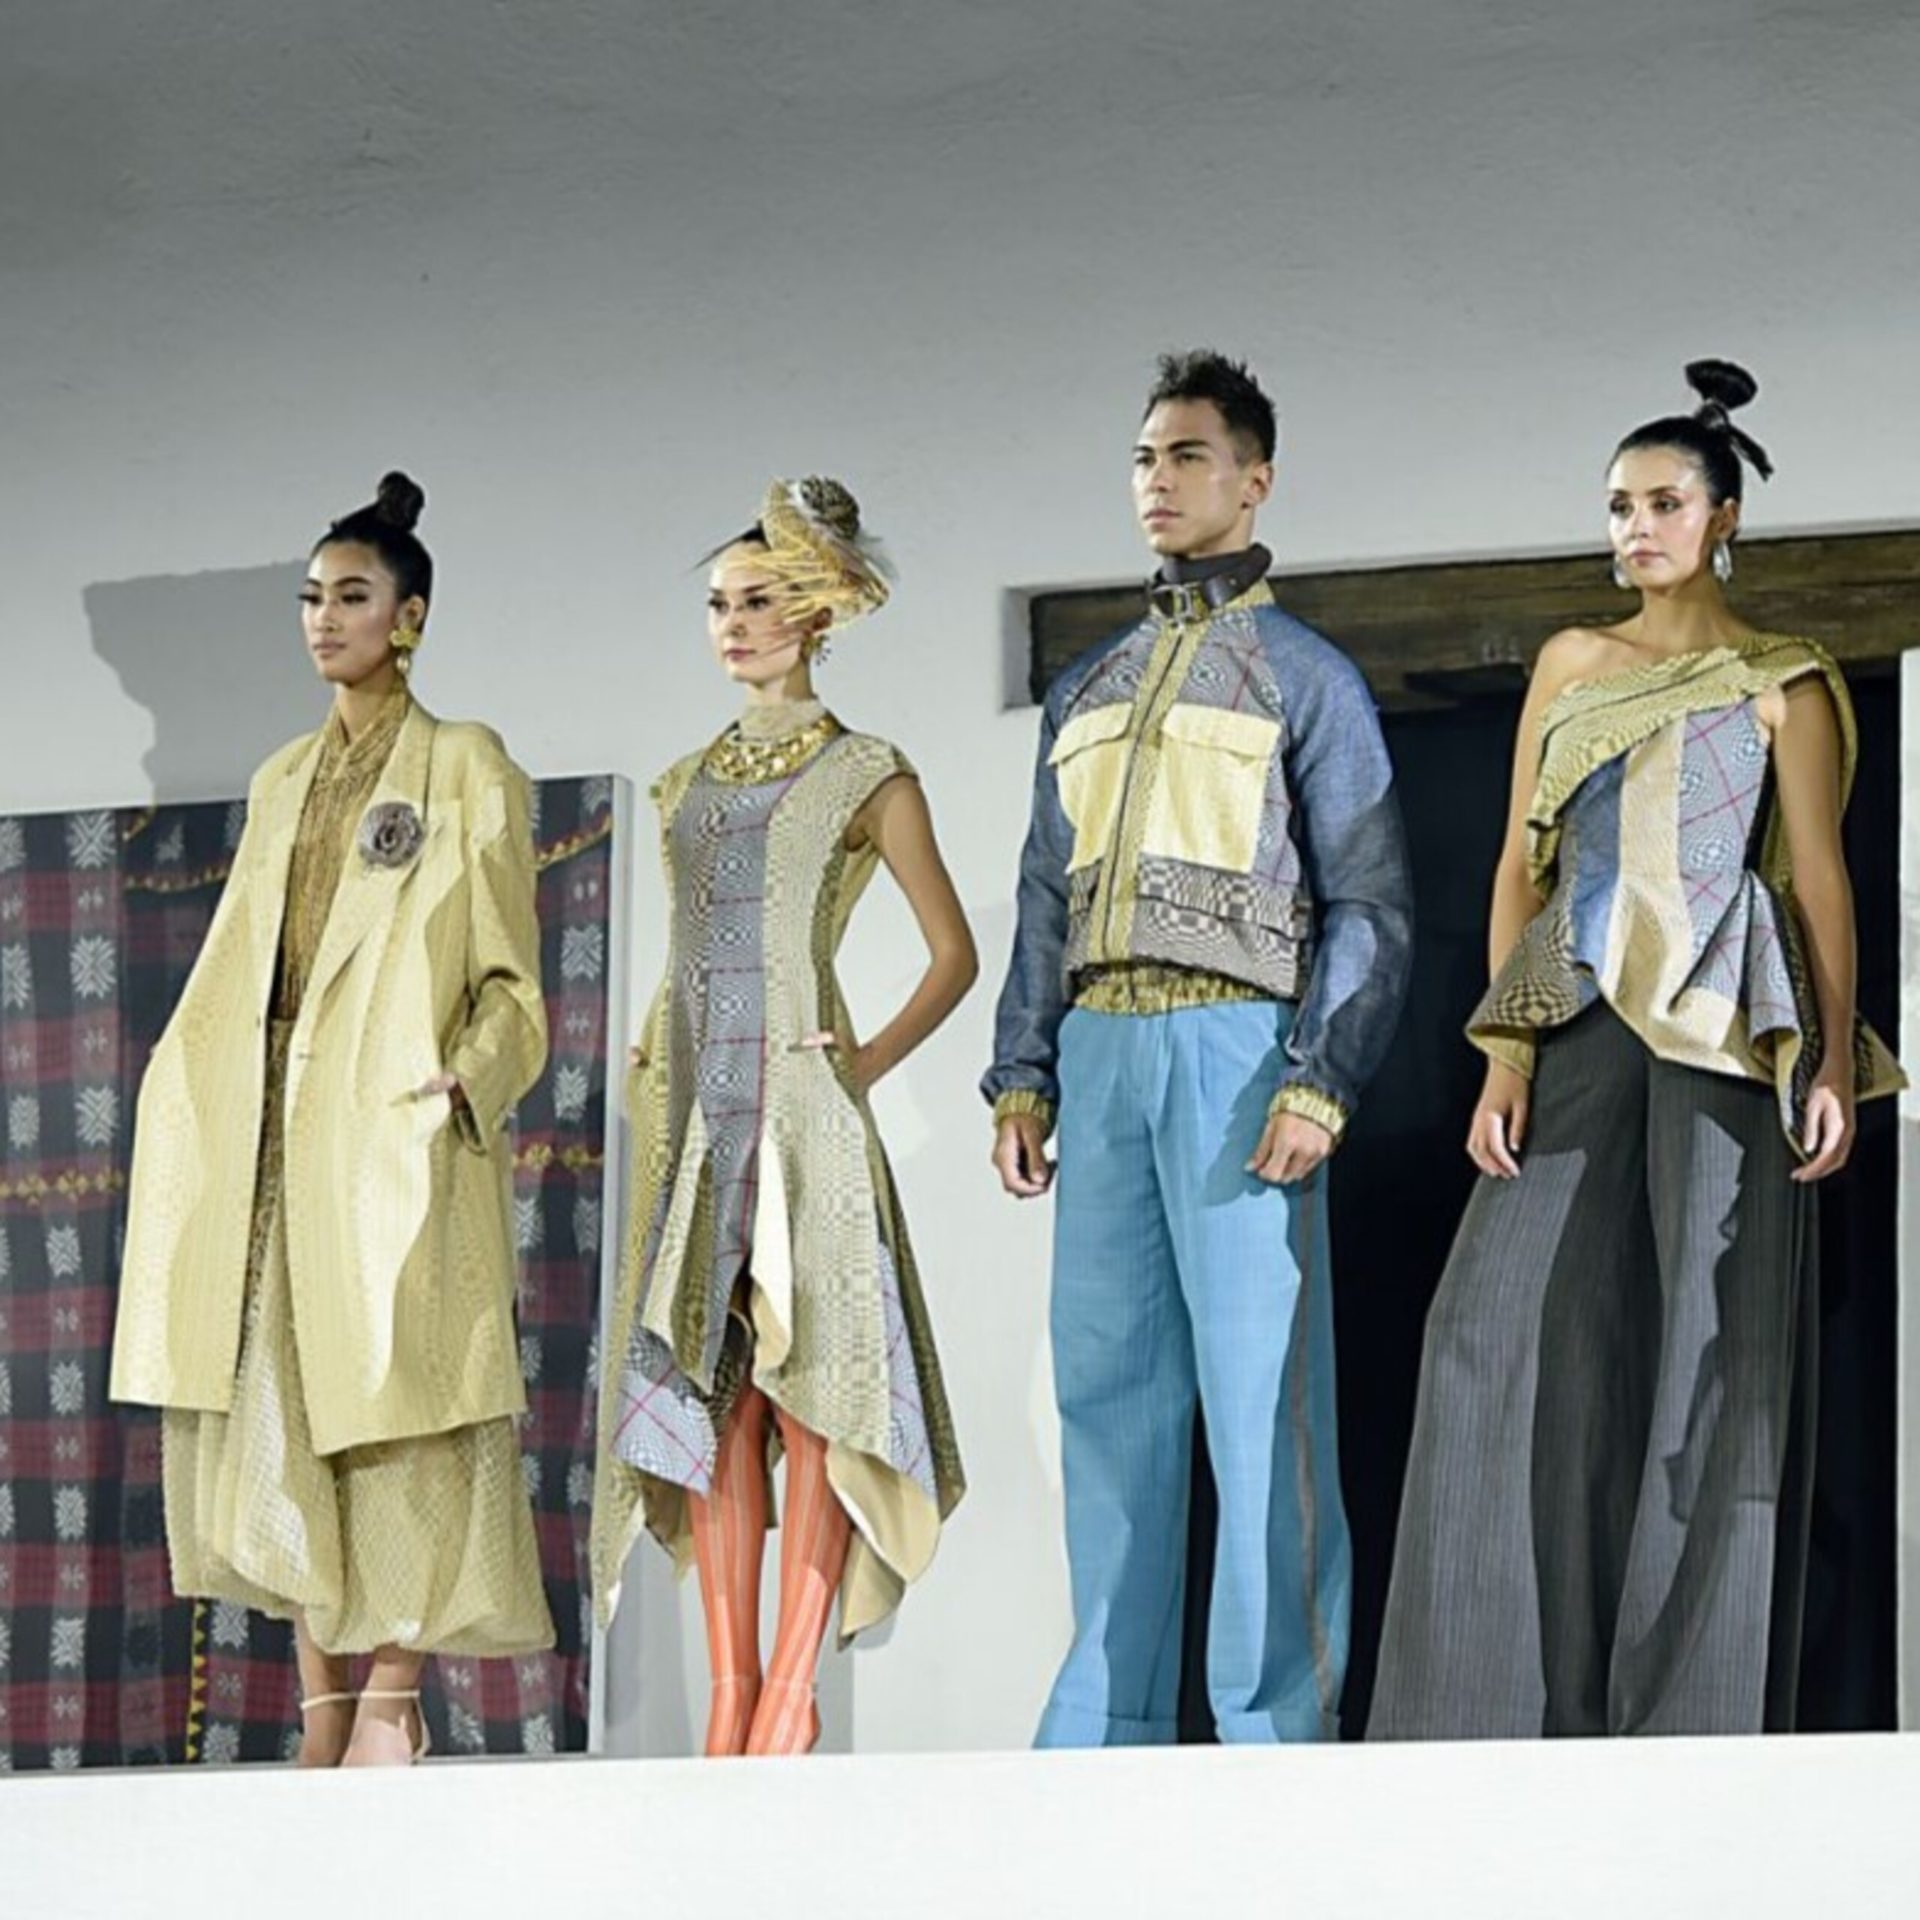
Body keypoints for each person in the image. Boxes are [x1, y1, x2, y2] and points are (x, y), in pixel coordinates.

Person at [1369, 361, 1904, 1739]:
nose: (1636, 528)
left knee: (1713, 1364)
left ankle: (1689, 1725)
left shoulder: (1783, 681)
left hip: (1729, 1026)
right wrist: (1506, 1052)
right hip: (1581, 1011)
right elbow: (1519, 867)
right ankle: (1483, 1711)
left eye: (1664, 502)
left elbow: (1820, 881)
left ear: (1724, 518)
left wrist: (1827, 1064)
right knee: (1490, 1332)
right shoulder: (1571, 661)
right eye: (1620, 506)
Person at [984, 351, 1414, 1746]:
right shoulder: (1089, 686)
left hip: (1241, 1055)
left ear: (1254, 479)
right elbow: (1042, 893)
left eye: (1186, 456)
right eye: (1143, 458)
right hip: (1102, 1050)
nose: (1157, 481)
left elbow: (1370, 900)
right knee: (1107, 1401)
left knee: (1262, 1404)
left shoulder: (1307, 677)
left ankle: (1274, 1725)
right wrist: (1023, 1071)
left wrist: (1322, 1076)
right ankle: (1102, 1725)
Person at [111, 472, 553, 1767]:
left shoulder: (464, 765)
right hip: (269, 1129)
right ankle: (319, 1705)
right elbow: (245, 960)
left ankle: (393, 1697)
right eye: (310, 598)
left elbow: (513, 984)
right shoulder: (281, 778)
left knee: (407, 1407)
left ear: (409, 618)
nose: (323, 619)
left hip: (397, 1129)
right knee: (277, 1404)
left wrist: (466, 1080)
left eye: (351, 596)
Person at [590, 477, 971, 1757]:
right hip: (699, 1103)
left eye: (757, 602)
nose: (734, 625)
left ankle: (792, 1693)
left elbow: (953, 953)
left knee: (813, 1384)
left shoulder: (867, 772)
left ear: (815, 615)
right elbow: (685, 945)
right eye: (718, 605)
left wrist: (863, 1062)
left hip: (803, 1110)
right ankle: (729, 1693)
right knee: (715, 1386)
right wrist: (654, 1038)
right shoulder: (682, 782)